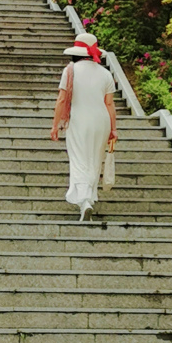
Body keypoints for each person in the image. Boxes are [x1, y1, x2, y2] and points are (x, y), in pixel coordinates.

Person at [50, 31, 117, 222]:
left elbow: (62, 99)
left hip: (79, 120)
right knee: (95, 159)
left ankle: (85, 201)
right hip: (101, 121)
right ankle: (88, 199)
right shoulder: (105, 74)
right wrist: (113, 129)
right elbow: (110, 104)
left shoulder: (70, 70)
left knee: (79, 159)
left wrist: (55, 126)